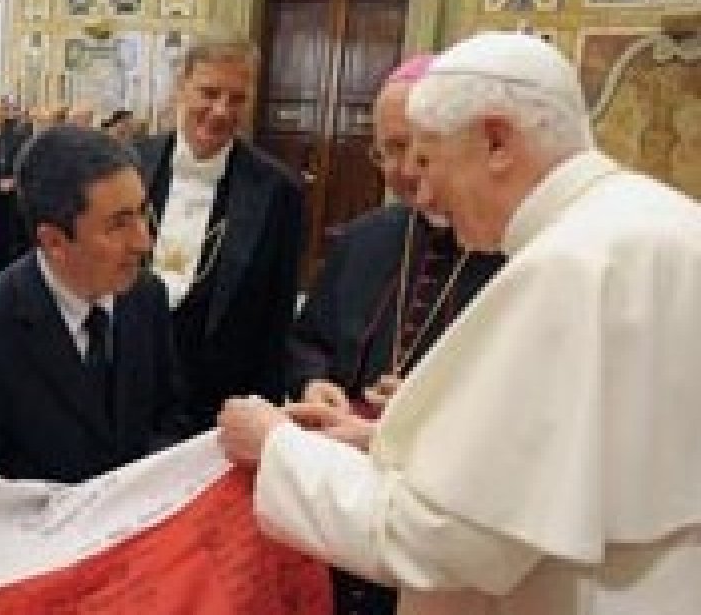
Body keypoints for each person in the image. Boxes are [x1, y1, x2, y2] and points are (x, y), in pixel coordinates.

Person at [219, 32, 701, 613]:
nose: (426, 191)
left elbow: (442, 540)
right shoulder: (663, 222)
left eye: (428, 158)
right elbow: (578, 456)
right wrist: (392, 442)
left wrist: (276, 447)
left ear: (496, 141)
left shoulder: (566, 266)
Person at [289, 55, 505, 615]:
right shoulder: (363, 240)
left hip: (438, 519)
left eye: (419, 148)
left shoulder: (513, 253)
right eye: (390, 149)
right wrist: (313, 381)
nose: (407, 169)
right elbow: (306, 340)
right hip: (336, 503)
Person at [0, 125, 192, 483]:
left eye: (143, 213)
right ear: (54, 241)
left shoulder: (146, 297)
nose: (143, 242)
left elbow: (168, 418)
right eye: (118, 225)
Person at [136, 34, 308, 428]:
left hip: (217, 398)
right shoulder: (129, 162)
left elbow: (276, 320)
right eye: (209, 93)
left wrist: (262, 420)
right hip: (130, 381)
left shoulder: (278, 191)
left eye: (236, 99)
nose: (220, 111)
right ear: (182, 86)